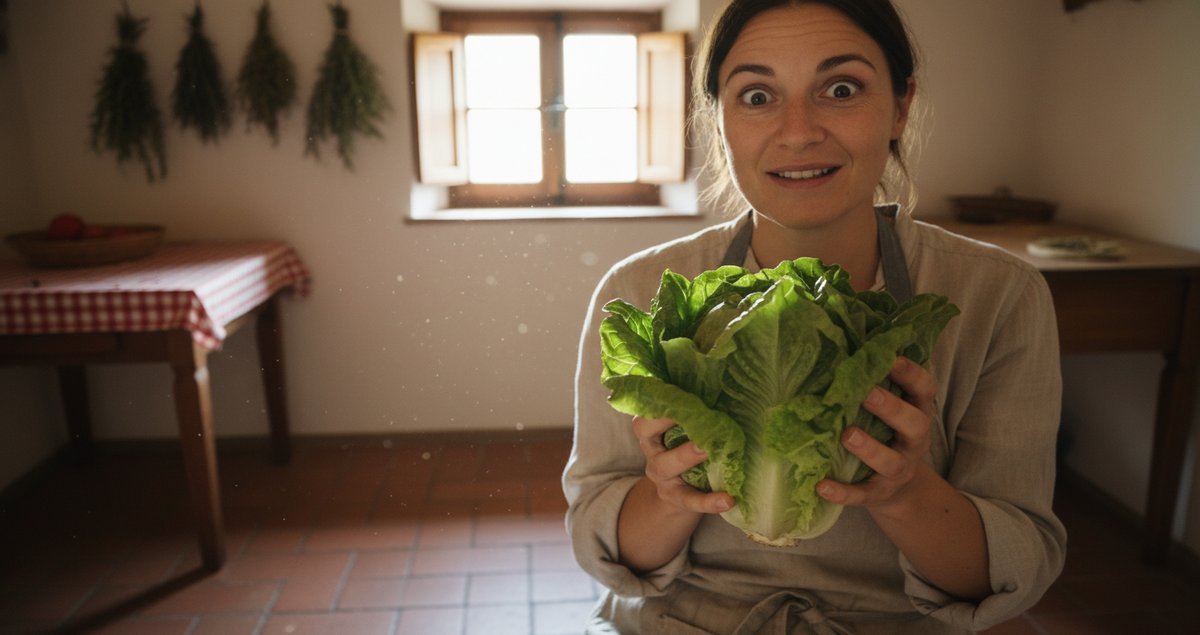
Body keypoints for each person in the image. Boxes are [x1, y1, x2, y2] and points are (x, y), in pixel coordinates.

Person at [563, 0, 1067, 633]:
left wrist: (905, 490)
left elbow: (1011, 572)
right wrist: (668, 494)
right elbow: (608, 554)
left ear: (901, 106)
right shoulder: (640, 293)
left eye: (841, 89)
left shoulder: (998, 294)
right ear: (717, 120)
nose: (798, 132)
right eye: (756, 97)